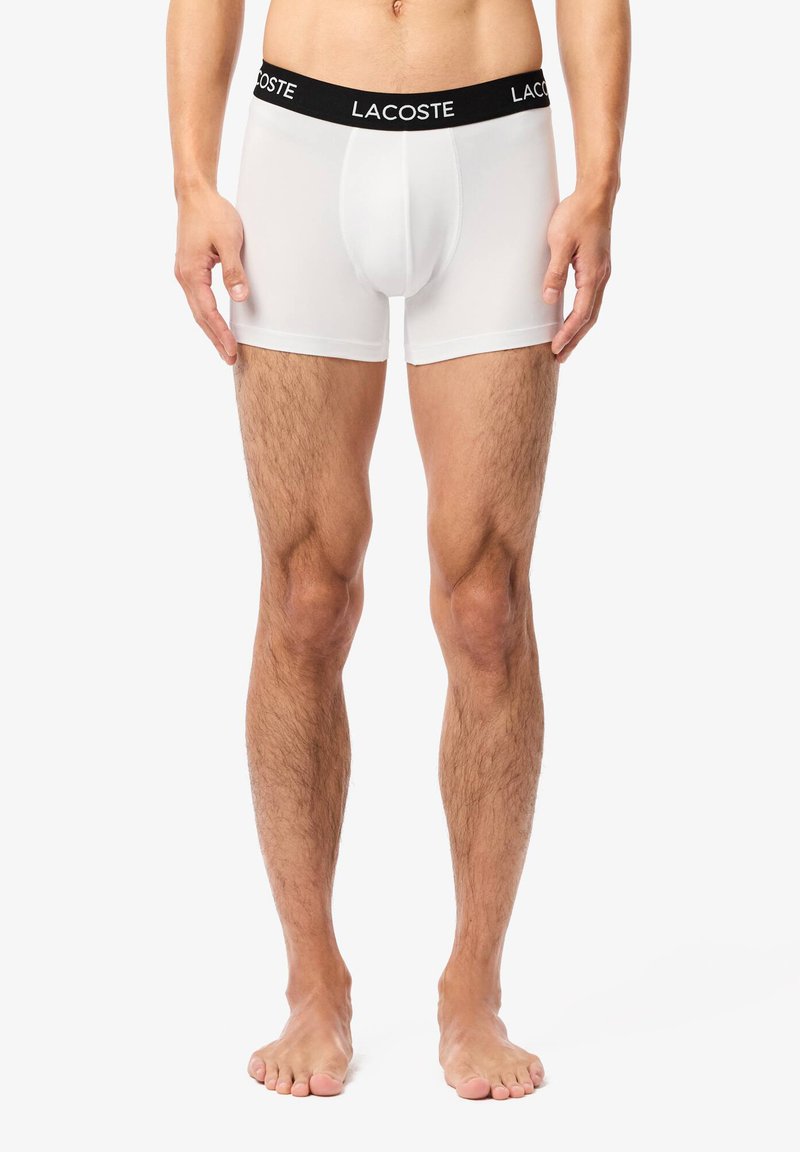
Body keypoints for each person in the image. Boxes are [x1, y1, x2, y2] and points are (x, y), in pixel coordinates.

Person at [166, 0, 630, 1101]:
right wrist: (191, 181)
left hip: (495, 141)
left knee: (487, 605)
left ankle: (474, 987)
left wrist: (599, 180)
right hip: (301, 144)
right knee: (305, 594)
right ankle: (311, 982)